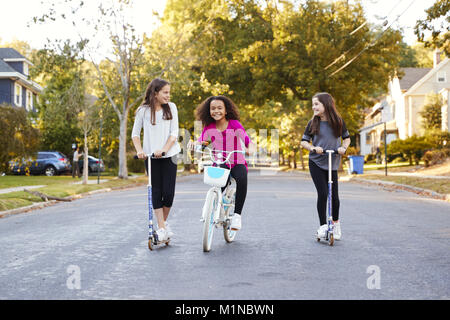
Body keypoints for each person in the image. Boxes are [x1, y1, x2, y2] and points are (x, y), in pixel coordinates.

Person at [190, 95, 255, 231]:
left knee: (241, 178)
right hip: (220, 161)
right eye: (213, 108)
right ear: (209, 111)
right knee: (219, 184)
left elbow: (248, 141)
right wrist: (194, 144)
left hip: (236, 160)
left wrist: (250, 149)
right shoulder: (209, 127)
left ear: (226, 111)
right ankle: (211, 207)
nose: (216, 111)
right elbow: (202, 141)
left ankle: (237, 215)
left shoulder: (234, 124)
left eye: (220, 108)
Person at [131, 78, 181, 241]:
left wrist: (164, 149)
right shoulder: (143, 111)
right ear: (155, 93)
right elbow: (135, 134)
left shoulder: (171, 108)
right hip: (151, 157)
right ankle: (161, 228)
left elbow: (174, 133)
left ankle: (163, 226)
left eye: (169, 92)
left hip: (170, 155)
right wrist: (140, 151)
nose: (168, 95)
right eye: (165, 92)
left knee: (168, 194)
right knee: (156, 191)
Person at [300, 92, 351, 240]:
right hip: (316, 161)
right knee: (323, 193)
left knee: (334, 196)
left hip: (332, 161)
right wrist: (312, 148)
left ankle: (335, 224)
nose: (313, 107)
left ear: (326, 104)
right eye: (313, 104)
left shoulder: (338, 122)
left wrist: (343, 148)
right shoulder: (312, 123)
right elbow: (304, 141)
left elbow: (346, 139)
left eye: (316, 104)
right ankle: (323, 225)